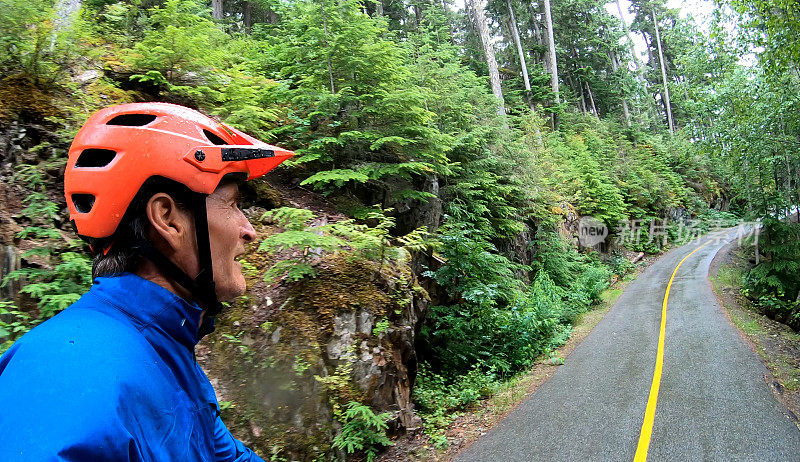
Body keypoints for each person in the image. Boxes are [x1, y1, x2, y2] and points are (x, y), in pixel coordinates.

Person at [0, 103, 294, 461]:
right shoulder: (70, 373)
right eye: (231, 205)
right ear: (168, 219)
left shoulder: (162, 351)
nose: (248, 230)